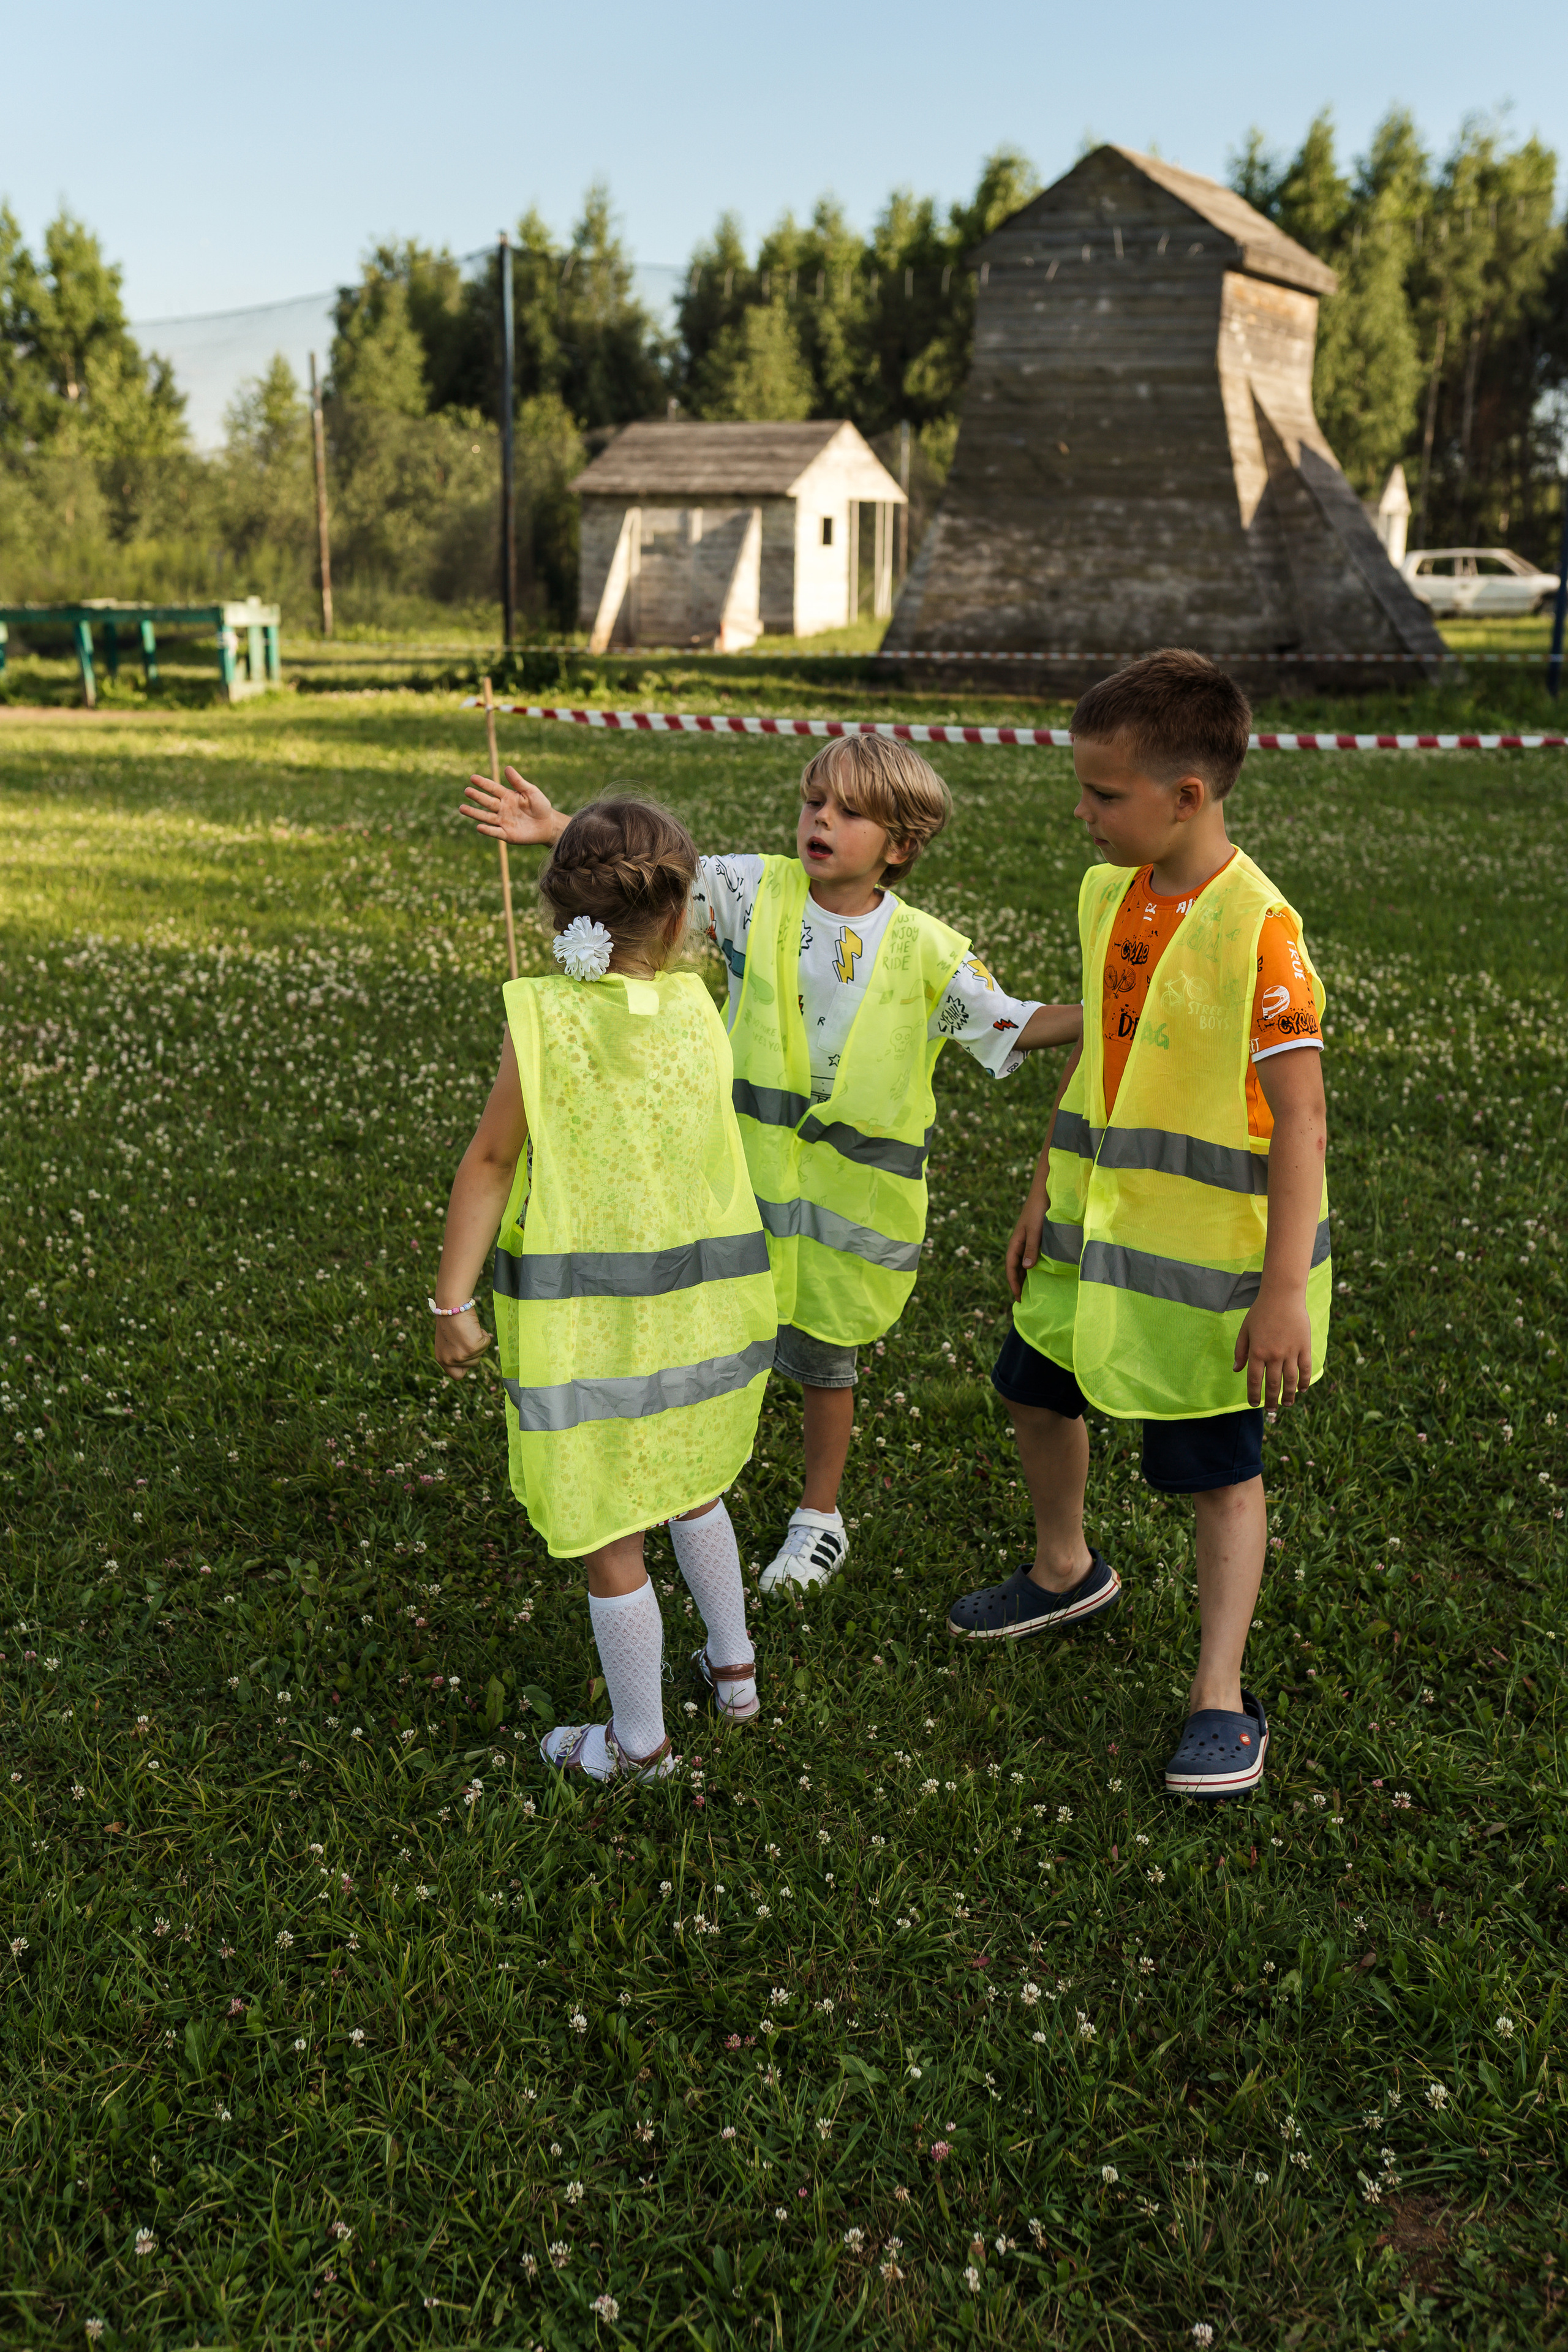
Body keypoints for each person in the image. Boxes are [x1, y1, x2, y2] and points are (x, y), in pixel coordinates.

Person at [461, 737, 1082, 1597]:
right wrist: (559, 827)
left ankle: (817, 1516)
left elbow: (1009, 1021)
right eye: (813, 800)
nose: (820, 819)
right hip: (731, 1189)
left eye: (849, 811)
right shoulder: (756, 891)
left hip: (845, 1215)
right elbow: (655, 877)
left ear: (900, 846)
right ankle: (693, 1483)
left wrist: (1105, 1013)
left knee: (826, 1363)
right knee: (712, 1341)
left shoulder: (930, 951)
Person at [946, 650, 1330, 1800]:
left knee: (1217, 1469)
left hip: (1211, 1275)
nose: (1083, 813)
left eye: (1104, 795)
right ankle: (1064, 1569)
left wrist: (1282, 1294)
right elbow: (1106, 1065)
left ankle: (1220, 1695)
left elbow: (1302, 1122)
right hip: (1086, 1235)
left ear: (1188, 798)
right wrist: (1039, 1193)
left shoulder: (1261, 929)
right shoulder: (1109, 894)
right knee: (1030, 1383)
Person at [431, 796, 777, 1783]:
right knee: (693, 1482)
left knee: (609, 1524)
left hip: (585, 1324)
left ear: (555, 912)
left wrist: (454, 1304)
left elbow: (492, 1164)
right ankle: (736, 1673)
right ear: (679, 917)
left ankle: (640, 1745)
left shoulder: (543, 1021)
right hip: (697, 1308)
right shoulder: (698, 1011)